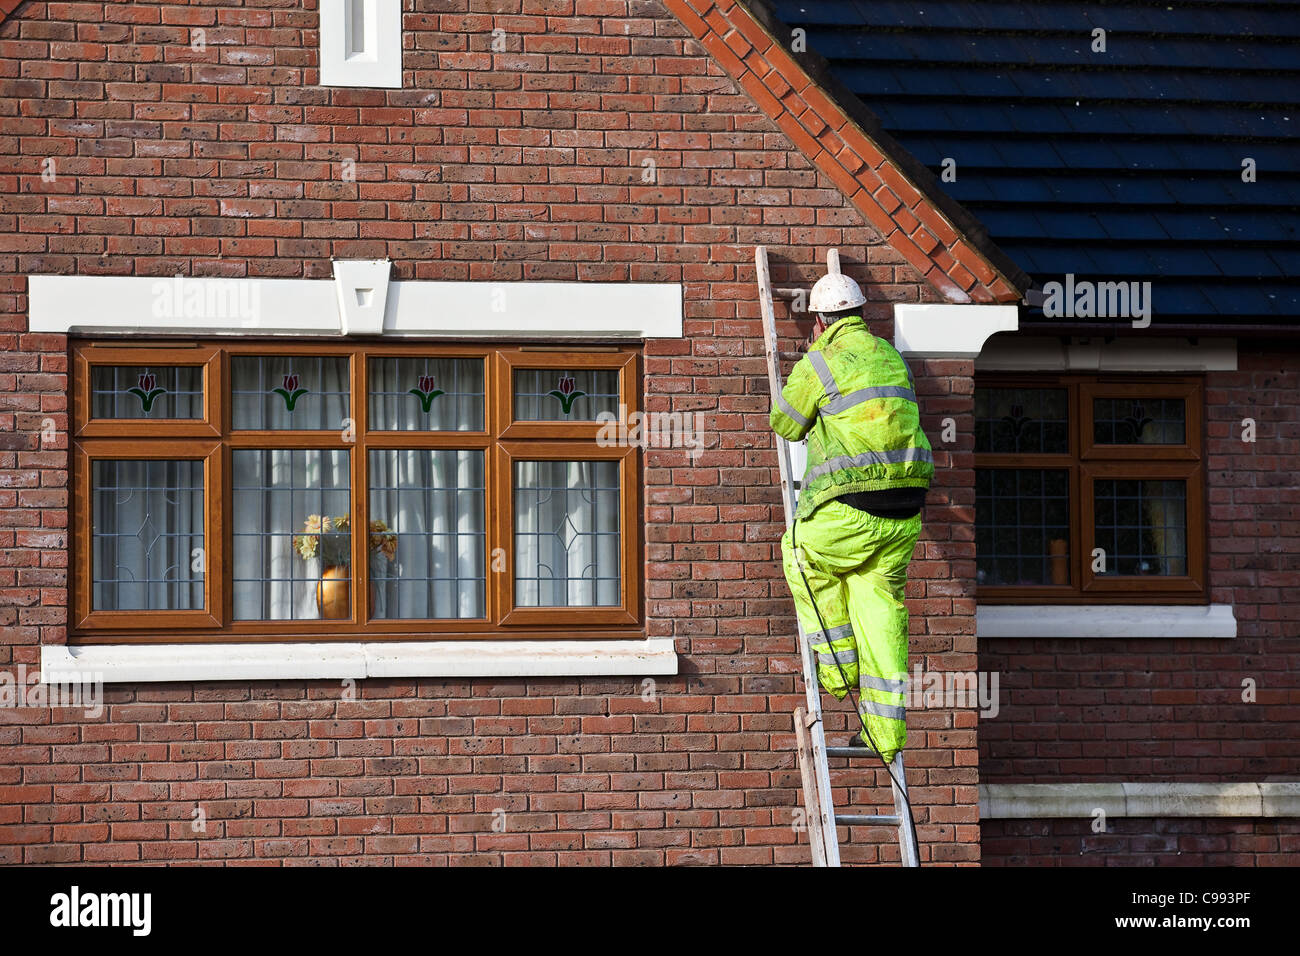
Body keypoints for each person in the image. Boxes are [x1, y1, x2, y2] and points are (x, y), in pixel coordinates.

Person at [769, 270, 933, 761]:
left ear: (820, 322)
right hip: (906, 511)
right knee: (880, 609)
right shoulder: (890, 355)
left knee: (800, 554)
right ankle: (884, 735)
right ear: (860, 314)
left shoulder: (820, 360)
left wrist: (807, 376)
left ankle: (838, 667)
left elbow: (786, 424)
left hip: (853, 504)